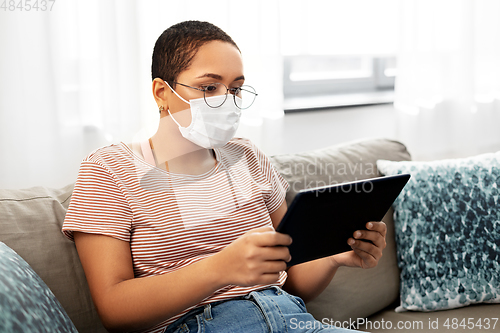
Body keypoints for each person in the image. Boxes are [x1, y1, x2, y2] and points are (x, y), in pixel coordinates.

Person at [62, 20, 387, 333]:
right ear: (161, 92)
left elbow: (294, 278)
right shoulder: (108, 169)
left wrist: (332, 256)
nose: (226, 100)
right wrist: (219, 269)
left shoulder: (249, 156)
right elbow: (113, 309)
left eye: (236, 89)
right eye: (209, 87)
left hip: (292, 317)